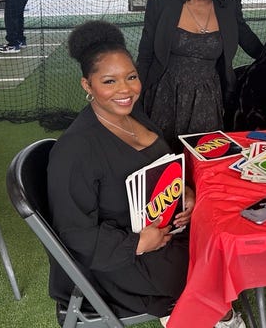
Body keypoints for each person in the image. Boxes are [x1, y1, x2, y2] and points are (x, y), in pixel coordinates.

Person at [48, 21, 245, 328]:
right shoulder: (75, 149)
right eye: (109, 82)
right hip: (119, 260)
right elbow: (75, 234)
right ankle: (208, 314)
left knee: (223, 232)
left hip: (162, 232)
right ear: (88, 85)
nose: (125, 90)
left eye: (131, 77)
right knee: (213, 261)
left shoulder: (135, 115)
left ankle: (209, 309)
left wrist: (184, 193)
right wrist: (138, 243)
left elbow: (166, 166)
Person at [137, 0, 263, 150]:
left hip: (207, 102)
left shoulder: (228, 10)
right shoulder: (162, 6)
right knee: (163, 159)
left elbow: (253, 46)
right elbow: (145, 57)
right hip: (164, 97)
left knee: (202, 158)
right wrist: (135, 105)